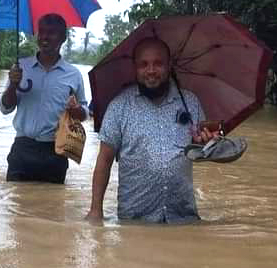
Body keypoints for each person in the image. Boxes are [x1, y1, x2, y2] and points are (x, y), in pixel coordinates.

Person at [85, 37, 219, 223]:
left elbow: (199, 149)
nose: (151, 71)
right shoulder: (119, 106)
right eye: (144, 64)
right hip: (135, 219)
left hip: (183, 218)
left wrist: (207, 143)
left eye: (158, 63)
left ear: (169, 65)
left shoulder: (190, 102)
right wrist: (95, 210)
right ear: (135, 68)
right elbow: (104, 159)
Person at [0, 13, 89, 184]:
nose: (45, 37)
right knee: (16, 207)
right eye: (41, 32)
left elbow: (85, 113)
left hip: (55, 152)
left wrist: (76, 110)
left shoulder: (73, 75)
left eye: (52, 32)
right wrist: (12, 85)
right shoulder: (21, 67)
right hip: (22, 149)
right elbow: (5, 108)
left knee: (52, 208)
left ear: (63, 38)